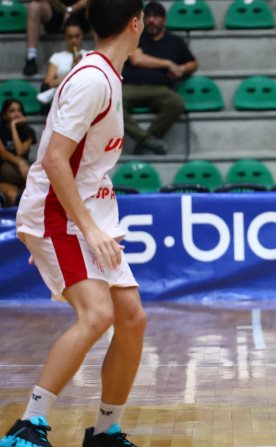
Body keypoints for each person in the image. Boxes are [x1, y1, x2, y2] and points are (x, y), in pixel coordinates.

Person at [0, 0, 147, 444]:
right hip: (58, 213)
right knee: (97, 314)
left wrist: (94, 224)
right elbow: (53, 159)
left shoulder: (107, 75)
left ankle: (105, 431)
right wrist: (87, 229)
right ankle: (28, 425)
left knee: (132, 319)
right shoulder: (92, 79)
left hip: (85, 212)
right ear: (136, 24)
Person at [121, 1, 198, 155]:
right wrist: (168, 64)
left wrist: (181, 69)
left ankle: (146, 140)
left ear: (164, 20)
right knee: (111, 103)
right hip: (131, 88)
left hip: (160, 89)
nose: (151, 20)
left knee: (176, 102)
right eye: (148, 16)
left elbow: (193, 63)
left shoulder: (175, 42)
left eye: (156, 17)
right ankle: (147, 140)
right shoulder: (135, 37)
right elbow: (137, 59)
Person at [22, 0, 90, 76]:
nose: (73, 40)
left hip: (81, 10)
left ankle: (99, 51)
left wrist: (70, 10)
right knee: (34, 6)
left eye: (76, 36)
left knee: (96, 4)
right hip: (56, 10)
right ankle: (31, 57)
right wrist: (63, 9)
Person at [36, 18, 90, 106]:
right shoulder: (57, 57)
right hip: (62, 99)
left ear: (82, 35)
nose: (74, 40)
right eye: (70, 37)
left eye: (77, 36)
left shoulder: (89, 55)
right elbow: (48, 84)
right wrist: (71, 72)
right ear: (65, 37)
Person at [0, 99, 37, 207]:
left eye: (19, 110)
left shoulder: (29, 131)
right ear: (4, 116)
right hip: (3, 176)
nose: (16, 113)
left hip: (21, 175)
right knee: (12, 194)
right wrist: (19, 162)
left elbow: (20, 152)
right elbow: (2, 153)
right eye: (12, 111)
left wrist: (13, 127)